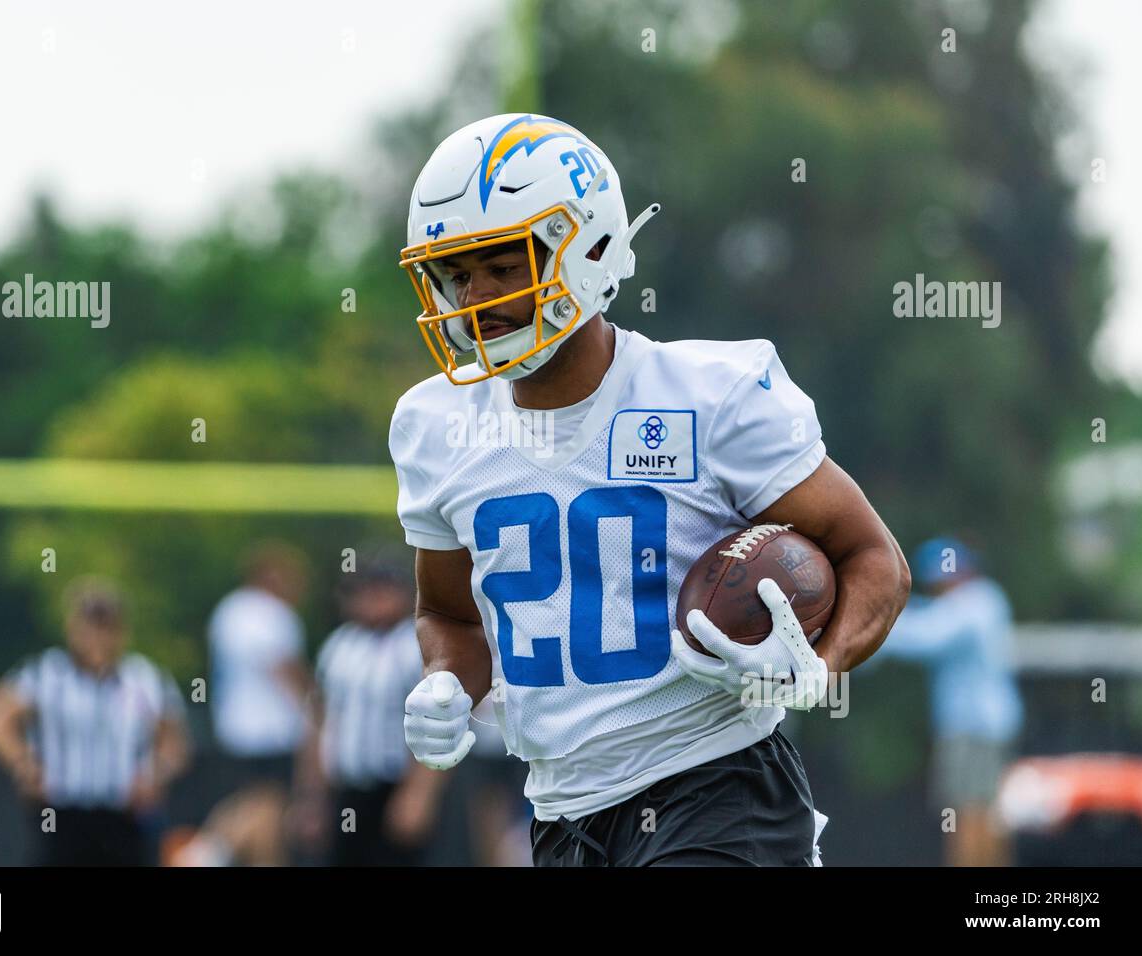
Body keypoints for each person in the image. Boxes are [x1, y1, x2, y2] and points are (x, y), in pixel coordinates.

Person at [390, 114, 911, 866]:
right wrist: (445, 683)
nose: (476, 297)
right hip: (561, 812)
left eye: (503, 266)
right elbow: (450, 614)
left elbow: (874, 559)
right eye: (455, 273)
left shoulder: (711, 397)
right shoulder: (433, 424)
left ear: (589, 247)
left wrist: (815, 670)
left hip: (715, 786)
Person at [0, 577, 191, 866]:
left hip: (123, 816)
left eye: (105, 627)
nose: (96, 638)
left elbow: (175, 740)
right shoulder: (47, 674)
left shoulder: (143, 679)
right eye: (90, 626)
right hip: (61, 813)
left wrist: (157, 774)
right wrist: (22, 763)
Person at [869, 537, 1023, 866]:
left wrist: (872, 622)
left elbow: (926, 635)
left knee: (967, 813)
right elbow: (932, 619)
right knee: (988, 813)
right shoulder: (986, 599)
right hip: (991, 727)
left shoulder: (974, 604)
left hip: (972, 727)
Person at [299, 561, 447, 866]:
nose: (372, 599)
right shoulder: (339, 645)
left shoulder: (416, 643)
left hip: (394, 786)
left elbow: (440, 723)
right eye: (364, 591)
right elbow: (318, 721)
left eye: (380, 590)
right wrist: (312, 797)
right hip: (347, 789)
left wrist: (419, 792)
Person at [206, 542, 312, 864]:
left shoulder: (228, 610)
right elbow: (284, 670)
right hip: (270, 730)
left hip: (233, 726)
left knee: (250, 802)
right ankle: (203, 853)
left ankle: (202, 852)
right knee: (268, 809)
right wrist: (315, 712)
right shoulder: (271, 613)